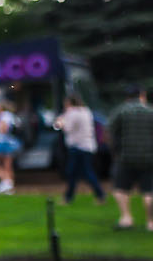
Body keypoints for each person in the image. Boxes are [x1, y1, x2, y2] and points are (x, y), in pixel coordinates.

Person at [106, 84, 153, 231]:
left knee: (120, 188)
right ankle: (151, 222)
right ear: (142, 95)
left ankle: (126, 218)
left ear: (127, 97)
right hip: (149, 157)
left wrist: (114, 150)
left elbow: (109, 132)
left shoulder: (121, 111)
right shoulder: (150, 111)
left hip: (125, 157)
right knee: (149, 190)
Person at [54, 93, 105, 205]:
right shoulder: (86, 111)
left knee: (78, 173)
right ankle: (70, 197)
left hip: (77, 147)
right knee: (80, 172)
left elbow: (67, 128)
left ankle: (98, 195)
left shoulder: (72, 113)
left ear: (69, 103)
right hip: (88, 146)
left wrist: (61, 122)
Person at [0, 100, 21, 194]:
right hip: (9, 142)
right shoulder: (9, 115)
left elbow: (3, 129)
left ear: (0, 108)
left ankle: (6, 182)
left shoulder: (3, 115)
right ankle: (10, 189)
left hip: (1, 142)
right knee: (8, 166)